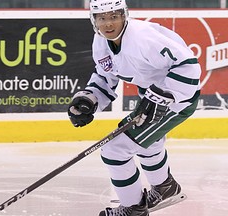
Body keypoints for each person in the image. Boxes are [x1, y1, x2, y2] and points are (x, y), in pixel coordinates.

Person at [67, 0, 201, 215]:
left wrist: (163, 97)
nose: (108, 23)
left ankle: (132, 208)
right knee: (148, 144)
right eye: (102, 18)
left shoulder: (143, 37)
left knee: (115, 150)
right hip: (150, 97)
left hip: (176, 100)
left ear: (124, 16)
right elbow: (105, 76)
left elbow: (188, 65)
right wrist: (88, 100)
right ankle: (165, 187)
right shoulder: (101, 41)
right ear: (94, 20)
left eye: (114, 16)